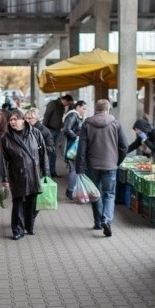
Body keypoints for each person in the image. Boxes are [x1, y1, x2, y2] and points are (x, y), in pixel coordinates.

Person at [76, 99, 128, 236]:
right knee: (109, 194)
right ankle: (107, 219)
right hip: (110, 165)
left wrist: (80, 168)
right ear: (108, 109)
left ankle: (98, 222)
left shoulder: (87, 124)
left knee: (95, 193)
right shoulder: (116, 123)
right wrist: (117, 161)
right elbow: (124, 146)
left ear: (96, 109)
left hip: (92, 165)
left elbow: (81, 148)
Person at [0, 109, 50, 239]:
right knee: (18, 203)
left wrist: (46, 173)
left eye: (15, 119)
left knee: (31, 203)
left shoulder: (36, 133)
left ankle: (30, 226)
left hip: (34, 174)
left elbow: (43, 154)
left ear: (22, 119)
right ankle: (17, 230)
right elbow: (3, 160)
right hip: (17, 174)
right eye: (10, 120)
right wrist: (4, 178)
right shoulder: (6, 138)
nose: (12, 122)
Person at [62, 100, 87, 200]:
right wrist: (76, 137)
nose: (84, 111)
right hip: (72, 146)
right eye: (83, 108)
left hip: (72, 145)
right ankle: (70, 191)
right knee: (74, 169)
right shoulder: (73, 115)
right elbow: (67, 129)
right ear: (78, 107)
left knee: (74, 169)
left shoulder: (75, 116)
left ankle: (71, 191)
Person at [42, 94, 73, 177]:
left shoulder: (62, 106)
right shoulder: (53, 104)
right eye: (68, 103)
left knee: (54, 152)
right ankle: (46, 173)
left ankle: (52, 172)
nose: (68, 105)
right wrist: (44, 130)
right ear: (65, 100)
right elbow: (46, 116)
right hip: (50, 130)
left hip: (57, 130)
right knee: (49, 151)